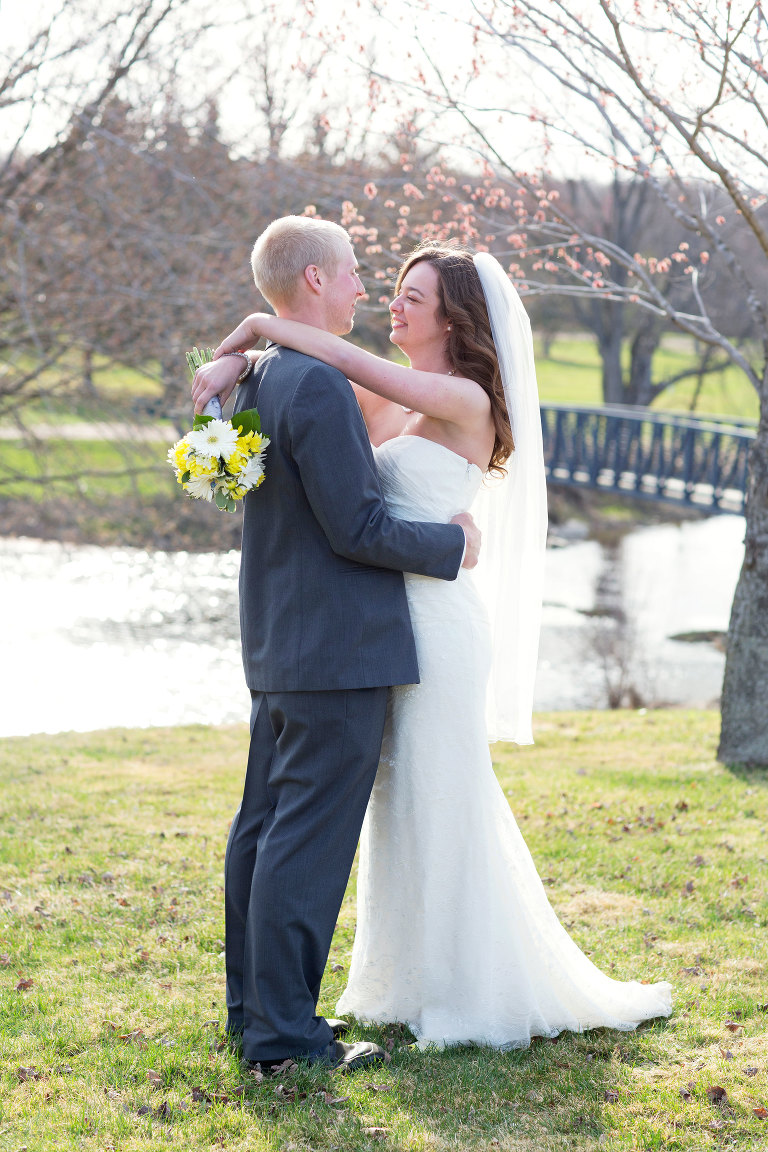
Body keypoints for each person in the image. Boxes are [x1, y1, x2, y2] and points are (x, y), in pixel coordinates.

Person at [194, 236, 673, 1050]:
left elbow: (334, 360)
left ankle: (471, 985)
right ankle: (399, 981)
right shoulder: (384, 400)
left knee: (440, 798)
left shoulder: (463, 398)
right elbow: (316, 413)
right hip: (370, 626)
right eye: (393, 289)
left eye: (415, 295)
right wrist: (241, 370)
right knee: (387, 811)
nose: (395, 302)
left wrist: (253, 329)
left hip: (434, 627)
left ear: (455, 315)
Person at [192, 216, 479, 1072]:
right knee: (303, 845)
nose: (364, 288)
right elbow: (356, 527)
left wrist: (239, 350)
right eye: (354, 273)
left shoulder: (262, 380)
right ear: (314, 280)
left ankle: (255, 1016)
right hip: (340, 648)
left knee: (264, 830)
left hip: (282, 642)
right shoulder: (314, 383)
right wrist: (451, 547)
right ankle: (285, 1039)